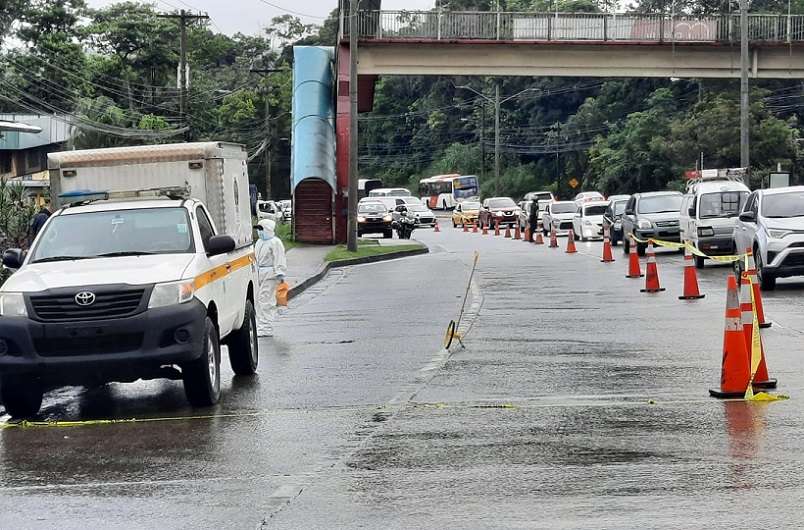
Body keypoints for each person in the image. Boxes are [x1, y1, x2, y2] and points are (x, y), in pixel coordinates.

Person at [254, 218, 287, 337]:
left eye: (261, 229)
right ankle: (261, 325)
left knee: (265, 300)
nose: (259, 232)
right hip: (259, 273)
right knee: (259, 300)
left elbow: (280, 258)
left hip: (271, 274)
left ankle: (266, 327)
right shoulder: (259, 242)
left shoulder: (275, 242)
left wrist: (280, 274)